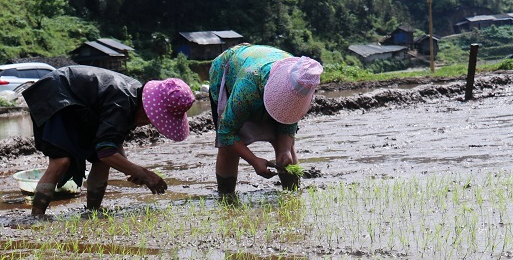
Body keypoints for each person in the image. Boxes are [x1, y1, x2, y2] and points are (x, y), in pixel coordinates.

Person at [21, 65, 195, 216]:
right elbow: (106, 152)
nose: (148, 123)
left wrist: (129, 169)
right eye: (152, 119)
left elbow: (111, 142)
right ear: (148, 110)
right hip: (58, 96)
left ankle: (93, 212)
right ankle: (36, 215)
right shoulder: (121, 103)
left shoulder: (134, 98)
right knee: (61, 161)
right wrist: (143, 174)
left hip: (79, 105)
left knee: (101, 161)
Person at [209, 44, 323, 196]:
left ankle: (292, 196)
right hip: (231, 71)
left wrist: (285, 151)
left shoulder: (302, 77)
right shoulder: (247, 87)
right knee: (228, 150)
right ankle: (226, 197)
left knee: (286, 152)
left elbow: (288, 124)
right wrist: (254, 160)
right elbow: (226, 132)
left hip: (257, 69)